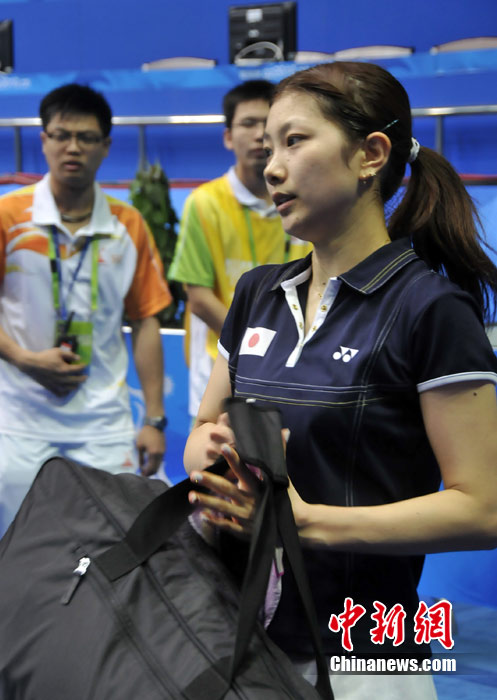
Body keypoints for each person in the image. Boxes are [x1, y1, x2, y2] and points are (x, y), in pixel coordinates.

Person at [183, 62, 497, 700]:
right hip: (239, 641)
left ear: (370, 155)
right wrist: (211, 457)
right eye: (268, 147)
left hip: (366, 658)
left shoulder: (431, 309)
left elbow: (483, 508)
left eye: (294, 142)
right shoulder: (256, 294)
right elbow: (203, 432)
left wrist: (308, 523)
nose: (271, 168)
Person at [0, 83, 172, 536]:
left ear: (106, 146)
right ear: (44, 140)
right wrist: (25, 359)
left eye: (86, 137)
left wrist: (154, 419)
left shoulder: (128, 224)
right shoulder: (7, 216)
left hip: (104, 426)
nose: (72, 147)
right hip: (18, 425)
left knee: (108, 551)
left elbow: (146, 321)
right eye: (61, 135)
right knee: (18, 550)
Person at [168, 80, 311, 419]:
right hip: (220, 368)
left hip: (291, 369)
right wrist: (256, 349)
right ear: (228, 137)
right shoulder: (204, 203)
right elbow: (199, 299)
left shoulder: (304, 203)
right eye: (248, 123)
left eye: (268, 124)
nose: (259, 134)